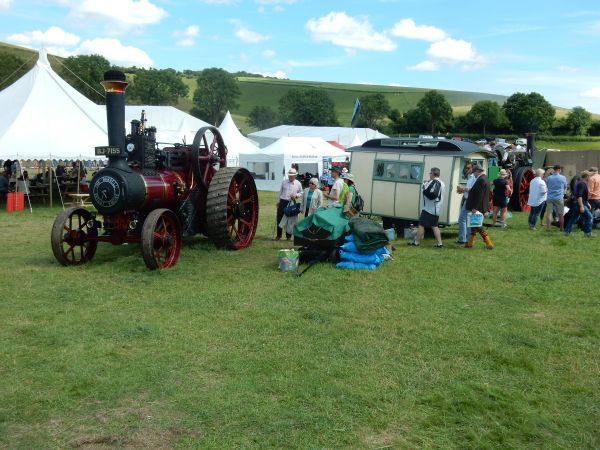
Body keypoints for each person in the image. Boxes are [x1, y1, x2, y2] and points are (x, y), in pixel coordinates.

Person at [409, 167, 445, 248]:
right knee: (434, 226)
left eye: (430, 173)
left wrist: (424, 184)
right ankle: (440, 243)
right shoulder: (442, 183)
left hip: (429, 208)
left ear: (433, 174)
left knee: (421, 225)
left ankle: (416, 242)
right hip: (437, 208)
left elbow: (427, 193)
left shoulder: (432, 182)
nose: (429, 175)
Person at [465, 164, 493, 249]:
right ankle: (470, 243)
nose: (474, 174)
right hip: (481, 206)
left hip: (478, 207)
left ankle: (489, 243)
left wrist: (475, 207)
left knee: (478, 225)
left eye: (474, 172)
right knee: (474, 225)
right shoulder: (485, 179)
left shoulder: (481, 180)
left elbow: (479, 196)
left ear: (478, 171)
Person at [275, 168, 303, 241]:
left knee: (290, 220)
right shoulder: (284, 182)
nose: (290, 177)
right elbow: (280, 192)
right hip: (283, 201)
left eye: (292, 176)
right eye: (289, 175)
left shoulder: (298, 183)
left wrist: (296, 195)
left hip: (292, 202)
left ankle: (288, 236)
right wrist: (278, 202)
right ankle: (279, 235)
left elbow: (301, 192)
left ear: (295, 176)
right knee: (279, 218)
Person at [564, 171, 593, 237]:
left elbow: (581, 195)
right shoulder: (582, 184)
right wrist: (581, 206)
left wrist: (587, 203)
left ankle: (566, 232)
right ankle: (588, 233)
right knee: (589, 217)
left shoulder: (579, 183)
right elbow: (579, 196)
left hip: (577, 203)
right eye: (590, 176)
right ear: (587, 176)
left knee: (573, 218)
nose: (590, 178)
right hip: (579, 204)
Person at [456, 161, 476, 244]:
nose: (466, 169)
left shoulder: (474, 177)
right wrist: (463, 191)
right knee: (467, 220)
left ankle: (462, 239)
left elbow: (473, 189)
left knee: (462, 219)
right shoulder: (470, 176)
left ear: (472, 168)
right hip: (468, 199)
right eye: (466, 168)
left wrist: (462, 189)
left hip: (470, 200)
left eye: (468, 168)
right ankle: (467, 239)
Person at [545, 165, 567, 231]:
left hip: (550, 197)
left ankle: (548, 227)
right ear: (559, 170)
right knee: (560, 214)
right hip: (559, 197)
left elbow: (547, 186)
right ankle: (561, 228)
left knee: (549, 213)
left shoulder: (549, 177)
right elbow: (565, 186)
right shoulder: (563, 177)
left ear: (554, 170)